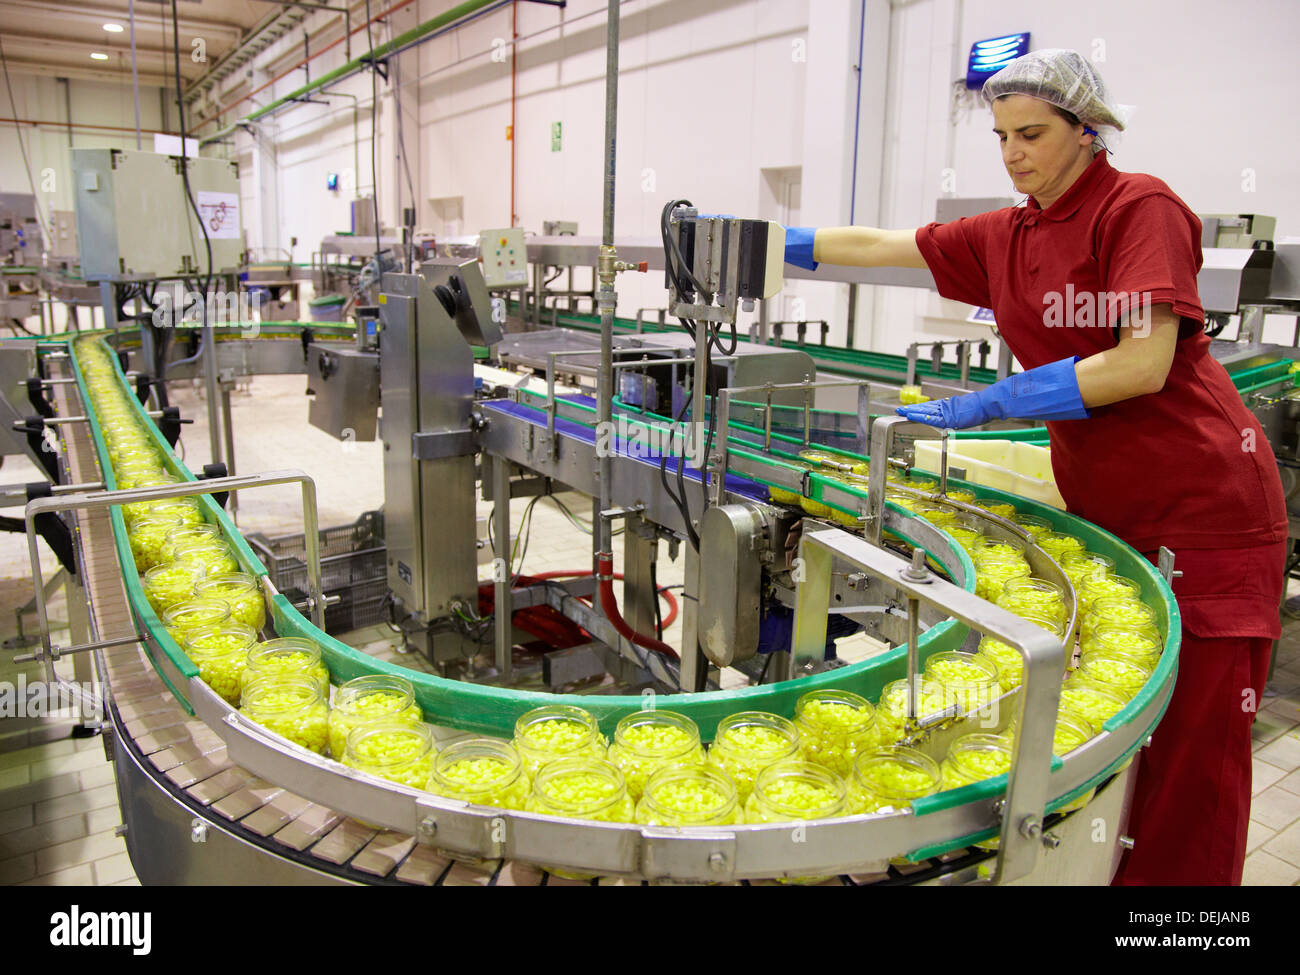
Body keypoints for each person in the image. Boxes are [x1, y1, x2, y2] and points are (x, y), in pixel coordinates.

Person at [784, 49, 1286, 885]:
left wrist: (992, 401)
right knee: (1121, 740)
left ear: (1088, 131)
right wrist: (762, 243)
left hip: (1204, 509)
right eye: (1001, 136)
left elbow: (1142, 362)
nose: (1013, 152)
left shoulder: (1139, 206)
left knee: (1192, 766)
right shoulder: (1010, 231)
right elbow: (879, 242)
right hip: (1117, 510)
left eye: (1032, 133)